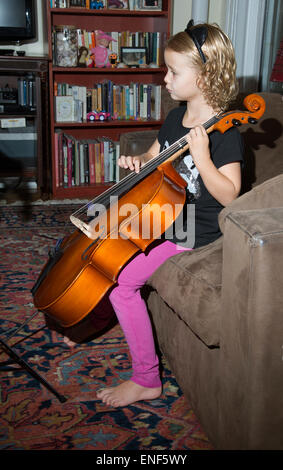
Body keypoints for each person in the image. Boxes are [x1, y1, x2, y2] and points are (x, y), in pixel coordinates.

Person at [95, 21, 244, 407]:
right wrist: (138, 159)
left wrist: (203, 158)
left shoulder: (227, 132)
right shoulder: (177, 118)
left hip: (194, 232)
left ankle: (146, 379)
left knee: (123, 283)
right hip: (164, 216)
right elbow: (154, 155)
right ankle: (83, 320)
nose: (165, 78)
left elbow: (230, 194)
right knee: (102, 235)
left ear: (206, 74)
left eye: (174, 72)